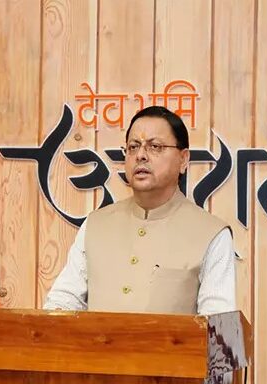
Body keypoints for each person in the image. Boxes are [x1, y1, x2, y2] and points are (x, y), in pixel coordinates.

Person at [43, 106, 236, 315]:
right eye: (133, 147)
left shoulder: (212, 234)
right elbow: (63, 301)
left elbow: (219, 326)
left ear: (183, 159)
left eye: (155, 146)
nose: (141, 155)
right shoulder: (95, 225)